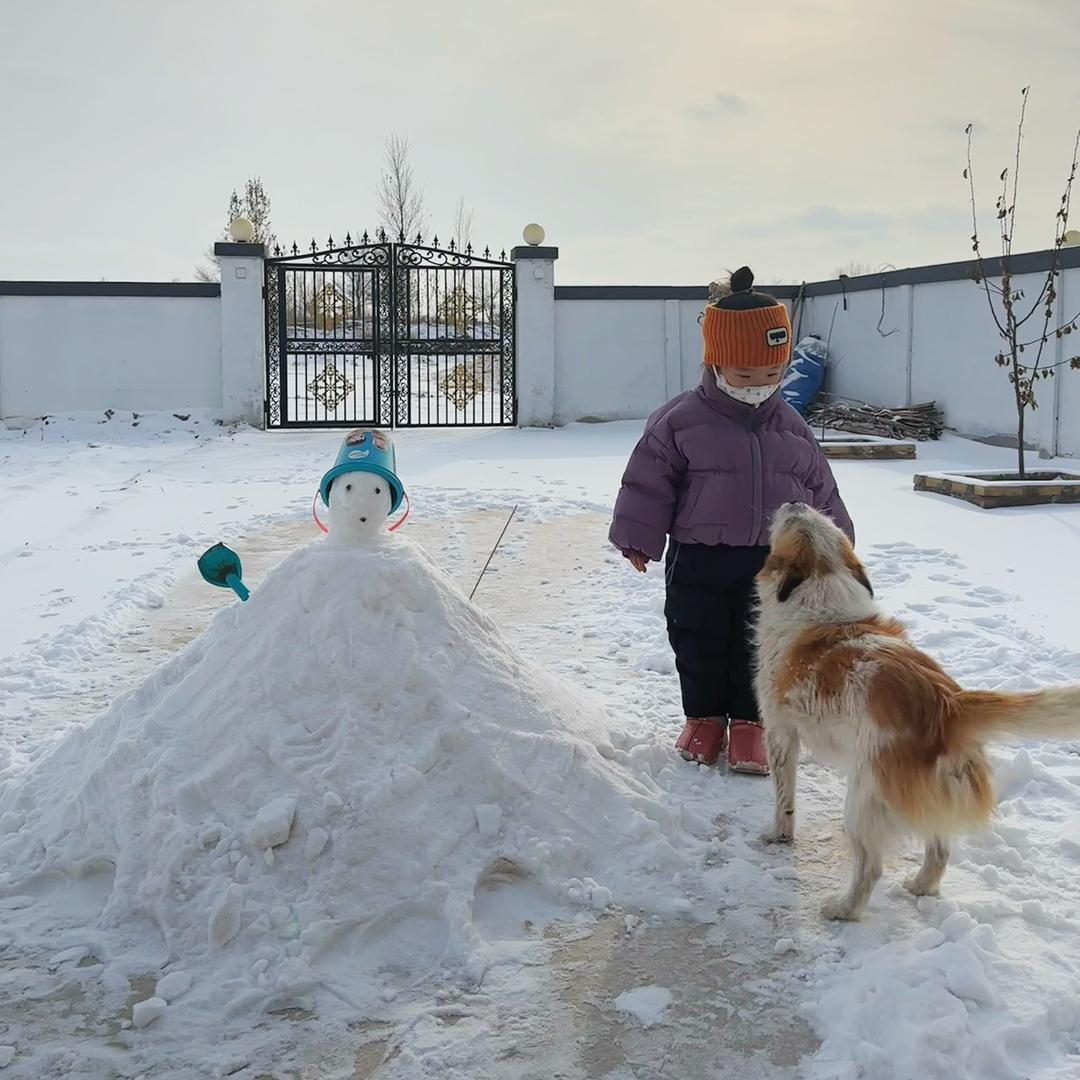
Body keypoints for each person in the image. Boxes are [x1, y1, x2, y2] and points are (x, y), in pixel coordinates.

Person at [609, 266, 854, 773]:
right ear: (716, 363)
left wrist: (837, 547)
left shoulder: (791, 427)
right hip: (698, 556)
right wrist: (638, 535)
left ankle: (750, 723)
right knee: (696, 637)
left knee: (759, 643)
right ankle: (702, 718)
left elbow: (819, 488)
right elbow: (648, 481)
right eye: (745, 376)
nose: (758, 387)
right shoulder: (680, 420)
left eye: (771, 375)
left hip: (772, 564)